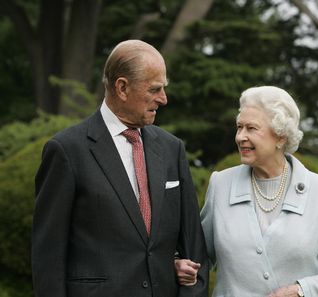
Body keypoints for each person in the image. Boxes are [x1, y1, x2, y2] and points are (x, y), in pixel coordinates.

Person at [32, 39, 208, 297]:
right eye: (154, 89)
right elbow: (48, 258)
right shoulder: (66, 151)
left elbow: (195, 250)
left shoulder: (173, 149)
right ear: (122, 88)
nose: (164, 99)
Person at [175, 86, 318, 297]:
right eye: (239, 127)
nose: (240, 137)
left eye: (251, 128)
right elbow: (198, 256)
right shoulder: (221, 184)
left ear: (280, 137)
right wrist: (180, 265)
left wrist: (302, 290)